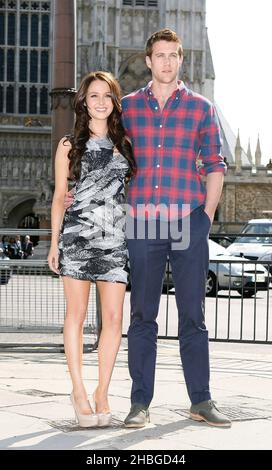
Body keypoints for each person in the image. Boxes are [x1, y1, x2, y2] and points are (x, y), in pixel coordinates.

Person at [120, 29, 231, 428]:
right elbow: (114, 160)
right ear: (148, 61)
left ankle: (200, 400)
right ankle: (139, 403)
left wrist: (206, 217)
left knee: (193, 316)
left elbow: (215, 165)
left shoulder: (202, 107)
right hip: (143, 222)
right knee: (143, 316)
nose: (166, 62)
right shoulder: (128, 108)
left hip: (189, 220)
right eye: (159, 55)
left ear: (181, 60)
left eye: (173, 55)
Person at [47, 71, 136, 428]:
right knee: (77, 316)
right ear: (83, 102)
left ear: (115, 102)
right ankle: (79, 391)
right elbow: (58, 197)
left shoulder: (126, 142)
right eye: (93, 96)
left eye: (107, 96)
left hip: (114, 239)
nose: (100, 102)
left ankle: (103, 391)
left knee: (114, 320)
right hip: (78, 238)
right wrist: (54, 244)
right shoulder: (69, 144)